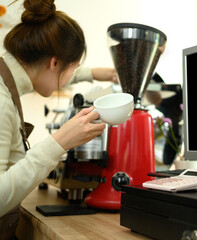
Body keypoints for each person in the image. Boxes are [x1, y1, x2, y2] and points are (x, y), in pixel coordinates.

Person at [0, 0, 111, 238]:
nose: (71, 76)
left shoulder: (10, 79)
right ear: (54, 62)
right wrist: (59, 141)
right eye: (75, 68)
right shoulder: (1, 101)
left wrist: (93, 73)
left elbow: (55, 74)